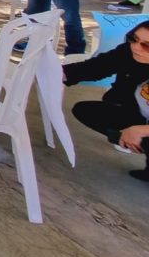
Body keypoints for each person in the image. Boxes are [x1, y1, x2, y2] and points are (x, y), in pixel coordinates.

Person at [63, 21, 149, 182]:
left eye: (147, 46)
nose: (136, 47)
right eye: (133, 38)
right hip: (138, 114)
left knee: (143, 135)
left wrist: (140, 131)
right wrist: (56, 73)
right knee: (87, 110)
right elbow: (96, 67)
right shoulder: (127, 52)